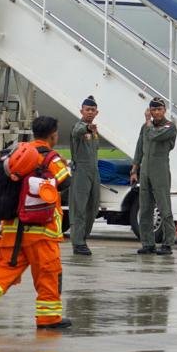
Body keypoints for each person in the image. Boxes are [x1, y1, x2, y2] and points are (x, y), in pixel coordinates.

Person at [0, 116, 73, 329]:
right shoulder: (51, 158)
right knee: (48, 275)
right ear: (53, 135)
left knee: (4, 271)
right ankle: (49, 319)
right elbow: (65, 181)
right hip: (42, 232)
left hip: (12, 230)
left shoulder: (15, 153)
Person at [131, 97, 177, 255]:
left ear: (164, 111)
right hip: (145, 170)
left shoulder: (170, 126)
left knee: (164, 207)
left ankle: (168, 243)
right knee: (145, 207)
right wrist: (134, 169)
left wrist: (148, 122)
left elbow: (154, 136)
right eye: (153, 109)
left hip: (160, 169)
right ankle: (147, 243)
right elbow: (139, 147)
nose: (156, 112)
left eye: (159, 109)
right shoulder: (145, 127)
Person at [69, 96, 100, 256]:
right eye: (87, 109)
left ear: (97, 112)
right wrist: (88, 129)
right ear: (82, 111)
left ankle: (83, 237)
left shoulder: (94, 131)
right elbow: (77, 132)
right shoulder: (80, 127)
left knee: (93, 207)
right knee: (79, 208)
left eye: (92, 110)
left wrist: (91, 130)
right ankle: (78, 242)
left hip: (94, 171)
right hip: (81, 170)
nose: (90, 112)